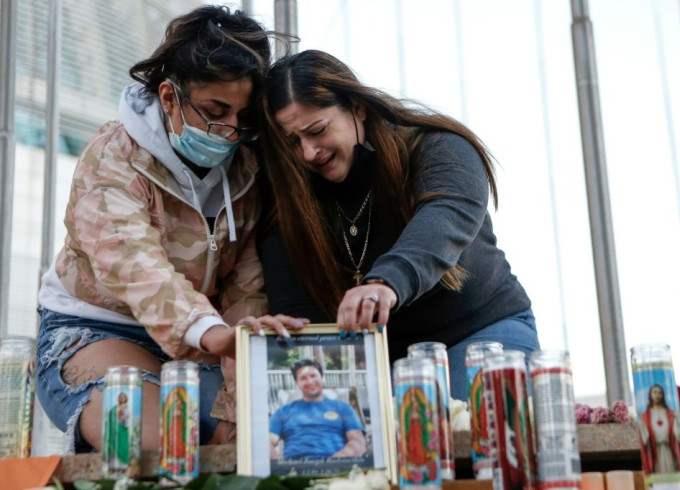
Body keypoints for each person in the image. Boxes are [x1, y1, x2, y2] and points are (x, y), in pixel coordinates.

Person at [35, 5, 306, 454]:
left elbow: (247, 291)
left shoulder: (247, 168)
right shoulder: (112, 157)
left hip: (205, 341)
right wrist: (214, 334)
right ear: (168, 97)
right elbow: (135, 268)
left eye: (243, 117)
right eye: (216, 111)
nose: (229, 133)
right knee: (152, 444)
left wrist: (235, 409)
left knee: (274, 435)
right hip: (97, 331)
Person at [257, 49, 540, 401]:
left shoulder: (437, 146)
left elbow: (446, 214)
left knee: (477, 434)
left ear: (357, 107)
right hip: (378, 369)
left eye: (317, 130)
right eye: (293, 143)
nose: (308, 152)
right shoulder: (290, 203)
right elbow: (299, 318)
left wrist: (385, 281)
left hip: (478, 335)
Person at [269, 359, 366, 460]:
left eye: (313, 375)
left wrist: (338, 460)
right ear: (297, 383)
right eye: (303, 378)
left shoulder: (343, 408)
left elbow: (358, 441)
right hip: (294, 470)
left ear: (322, 377)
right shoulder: (284, 411)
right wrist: (278, 468)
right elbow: (267, 442)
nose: (310, 381)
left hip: (336, 467)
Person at [639, 384, 680, 474]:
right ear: (650, 395)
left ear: (663, 395)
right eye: (655, 392)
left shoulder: (670, 414)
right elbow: (645, 437)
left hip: (669, 450)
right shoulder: (646, 416)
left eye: (660, 393)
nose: (657, 395)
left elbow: (677, 435)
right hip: (655, 451)